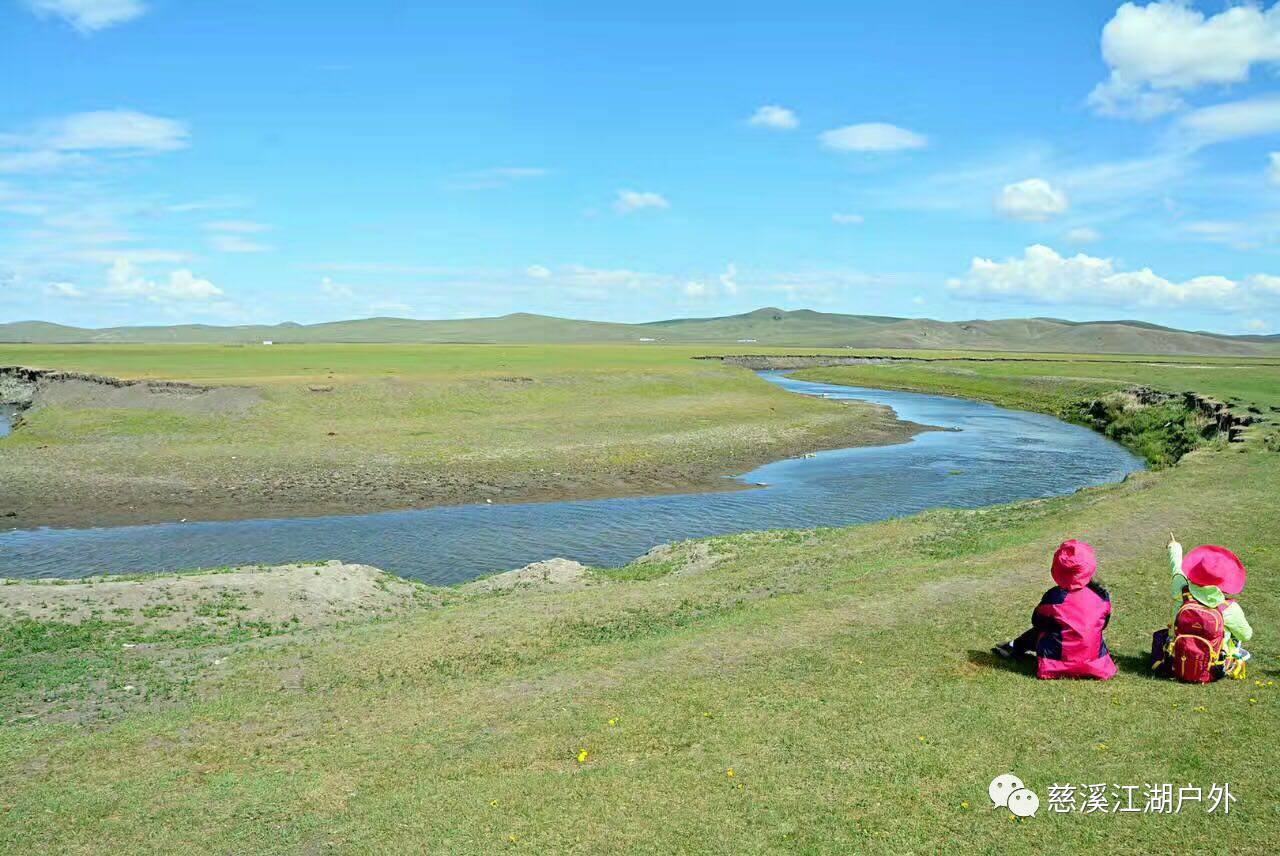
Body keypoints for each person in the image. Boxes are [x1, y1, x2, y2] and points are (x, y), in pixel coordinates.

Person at [992, 539, 1117, 680]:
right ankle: (1014, 646)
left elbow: (1037, 621)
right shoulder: (1101, 596)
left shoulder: (1055, 597)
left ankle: (1014, 646)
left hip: (1056, 663)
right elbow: (1103, 624)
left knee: (1045, 629)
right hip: (1096, 663)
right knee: (1087, 631)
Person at [1155, 535, 1251, 682]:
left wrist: (1174, 547)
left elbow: (1177, 568)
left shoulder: (1181, 589)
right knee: (1236, 641)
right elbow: (1246, 635)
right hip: (1212, 668)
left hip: (1178, 658)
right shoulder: (1229, 609)